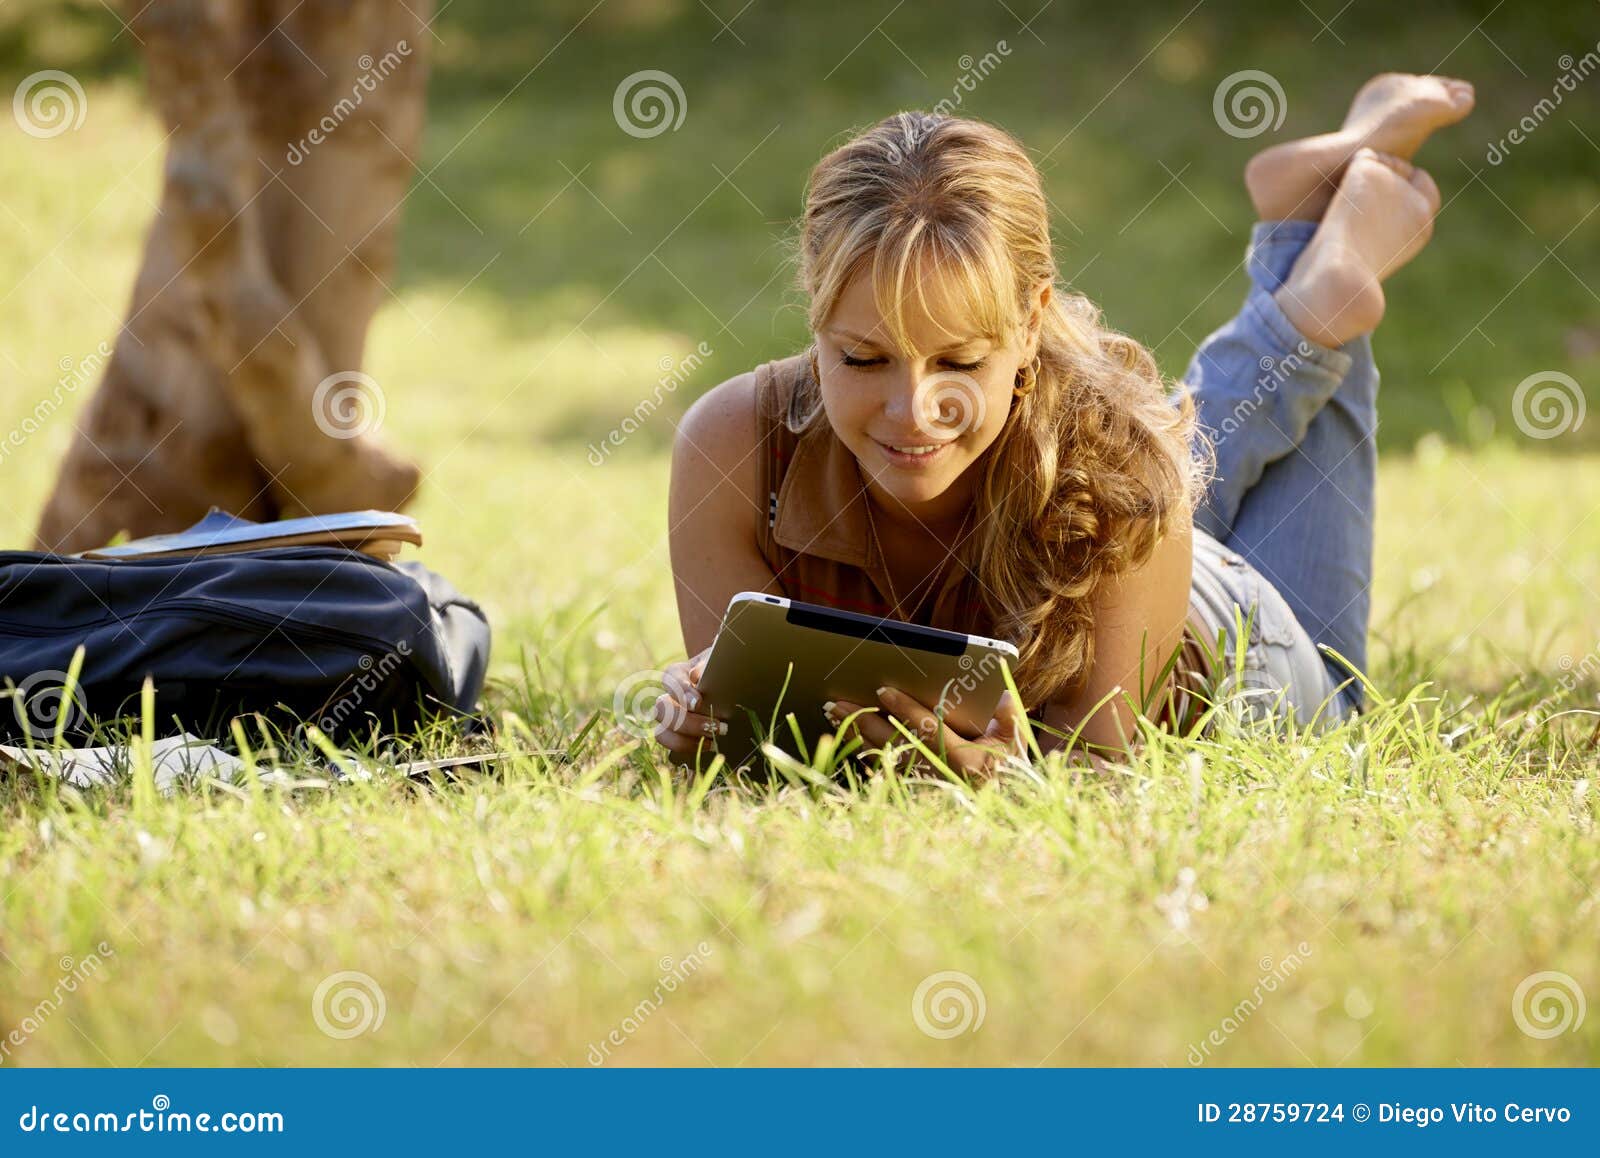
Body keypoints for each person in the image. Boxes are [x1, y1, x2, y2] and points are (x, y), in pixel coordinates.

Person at [654, 74, 1475, 778]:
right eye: (863, 360)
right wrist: (695, 722)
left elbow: (1098, 773)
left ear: (1031, 322)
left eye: (960, 362)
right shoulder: (736, 447)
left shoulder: (1116, 463)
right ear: (816, 321)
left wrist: (1009, 785)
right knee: (1140, 457)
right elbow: (746, 735)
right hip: (1117, 518)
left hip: (1207, 627)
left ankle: (1319, 304)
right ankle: (1303, 266)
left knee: (1340, 692)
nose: (912, 410)